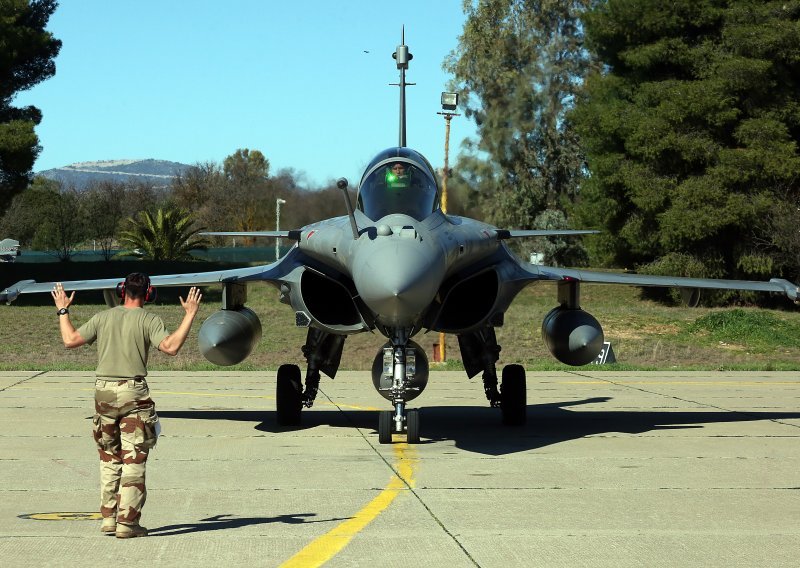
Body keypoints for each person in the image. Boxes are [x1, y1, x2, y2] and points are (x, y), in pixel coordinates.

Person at [51, 273, 202, 539]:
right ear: (148, 293)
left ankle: (109, 518)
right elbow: (171, 347)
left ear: (122, 292)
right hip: (133, 393)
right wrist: (190, 314)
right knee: (134, 459)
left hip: (104, 393)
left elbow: (70, 340)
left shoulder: (103, 317)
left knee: (109, 456)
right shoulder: (149, 320)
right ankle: (127, 523)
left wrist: (63, 309)